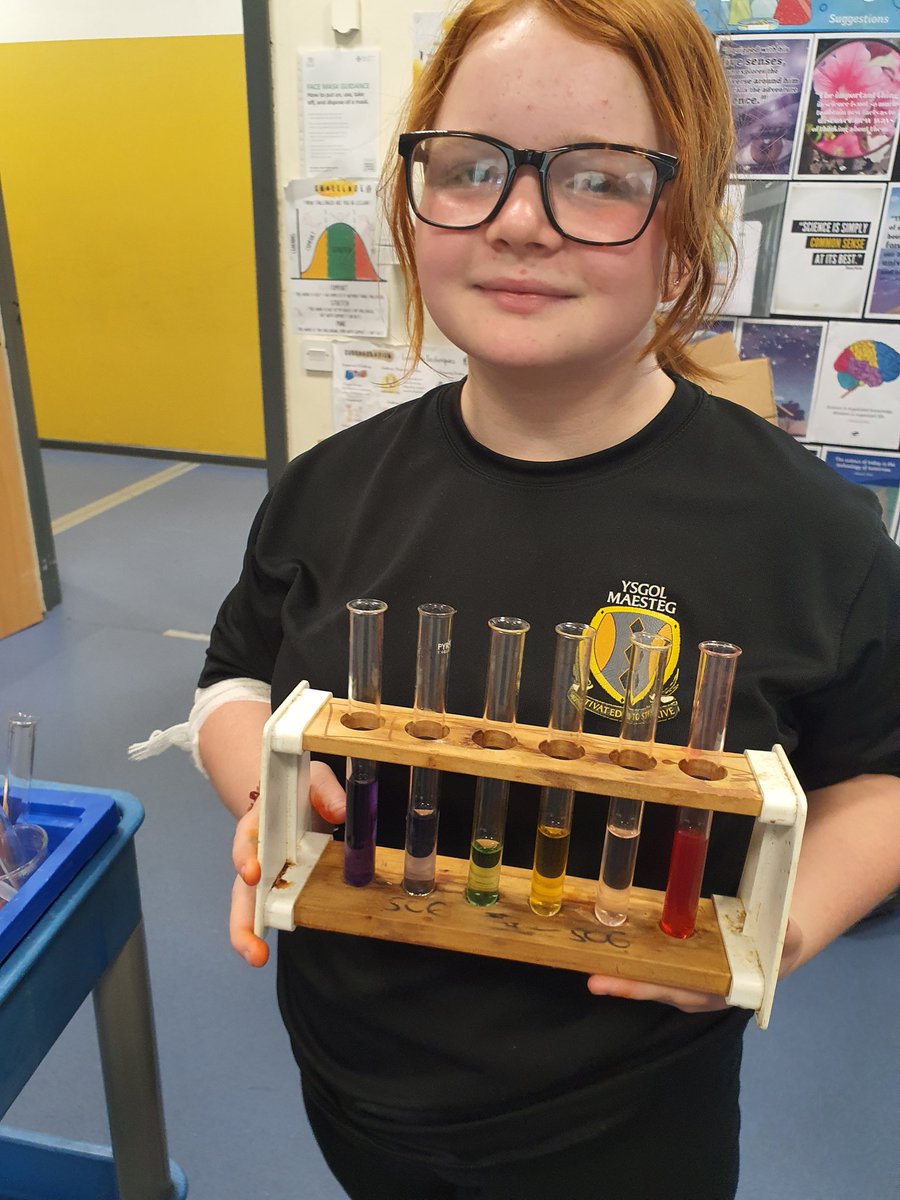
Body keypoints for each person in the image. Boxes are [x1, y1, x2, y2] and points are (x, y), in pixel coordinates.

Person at [195, 3, 900, 1197]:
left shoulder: (810, 538)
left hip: (622, 1122)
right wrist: (263, 788)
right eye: (470, 168)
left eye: (600, 178)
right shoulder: (328, 492)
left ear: (686, 225)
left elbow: (880, 776)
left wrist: (773, 930)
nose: (519, 219)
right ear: (414, 200)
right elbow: (232, 680)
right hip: (354, 1078)